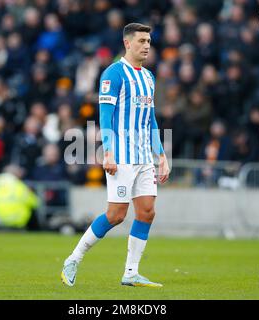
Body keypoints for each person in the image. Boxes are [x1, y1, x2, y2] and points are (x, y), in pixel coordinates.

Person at [61, 23, 170, 287]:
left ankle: (131, 272)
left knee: (146, 212)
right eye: (142, 41)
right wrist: (107, 152)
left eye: (149, 41)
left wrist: (161, 154)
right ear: (127, 43)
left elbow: (151, 119)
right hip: (121, 155)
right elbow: (106, 118)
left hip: (145, 156)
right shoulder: (113, 73)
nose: (146, 46)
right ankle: (73, 258)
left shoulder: (148, 77)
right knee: (116, 215)